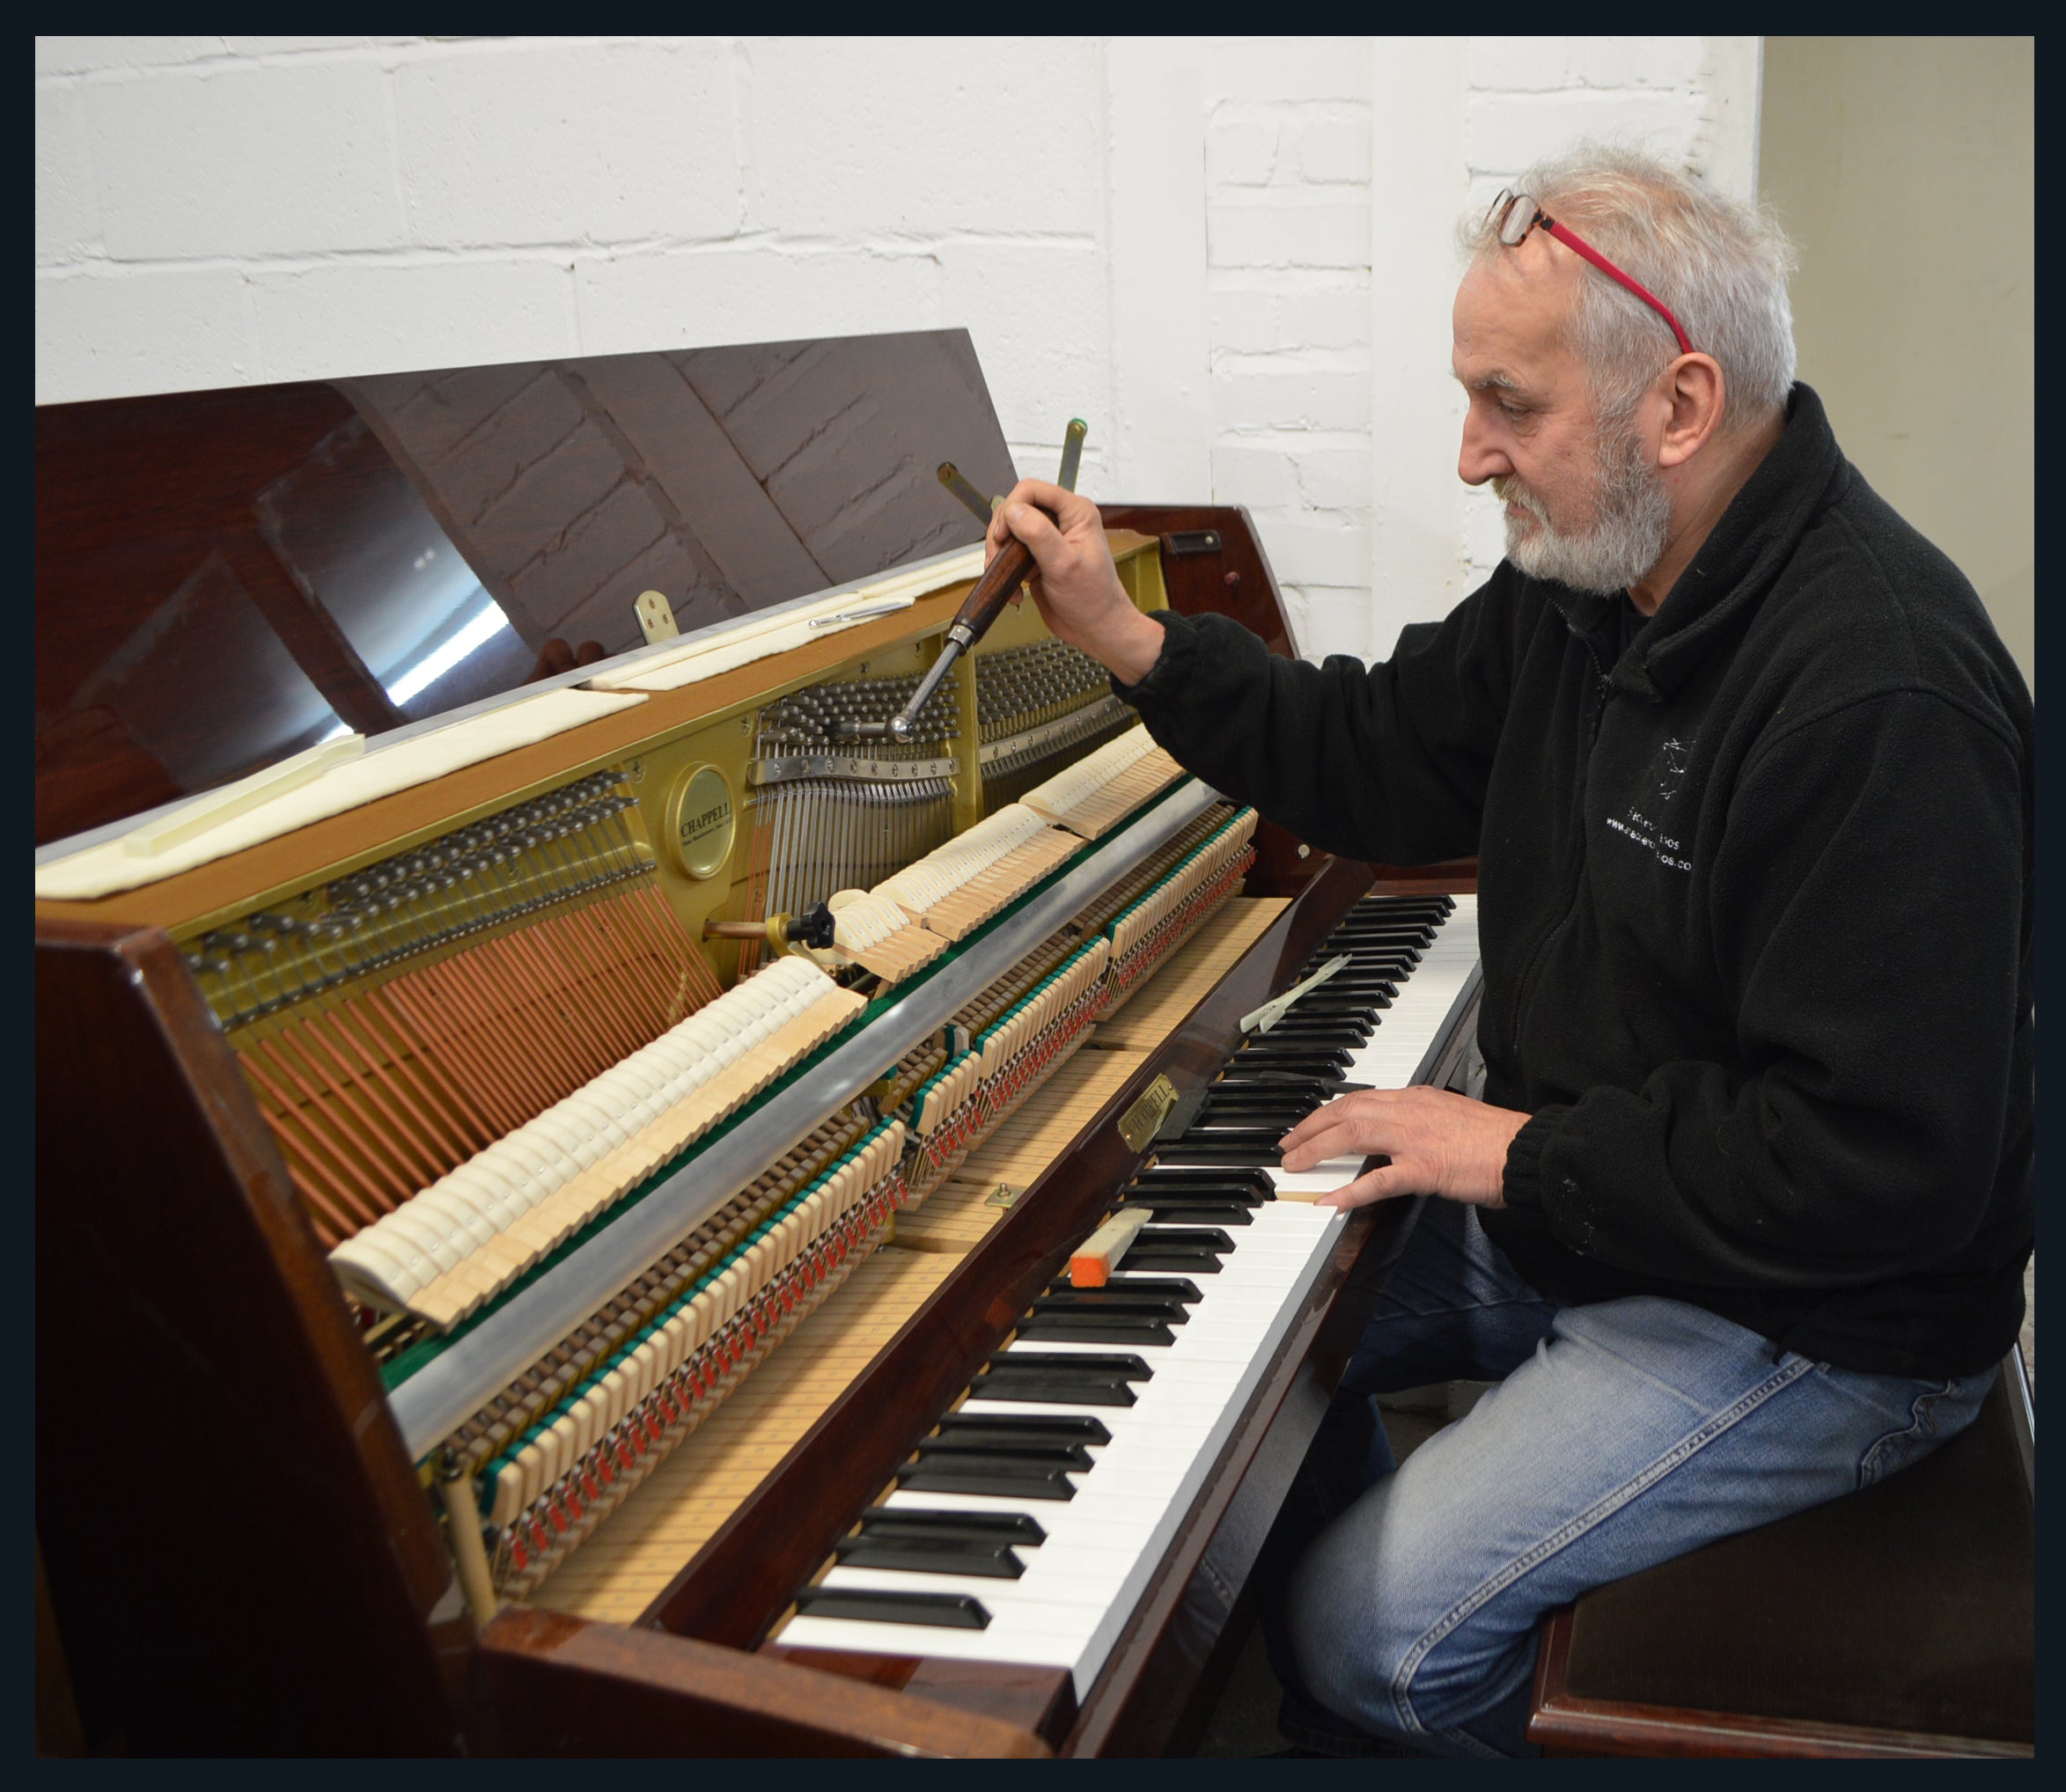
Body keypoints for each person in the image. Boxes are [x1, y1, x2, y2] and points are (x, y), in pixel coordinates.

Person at [981, 144, 2035, 1756]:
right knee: (1234, 1280)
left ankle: (1398, 1661)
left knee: (1364, 1632)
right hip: (1619, 1220)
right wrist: (1128, 639)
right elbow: (1375, 753)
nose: (1470, 455)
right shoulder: (1593, 586)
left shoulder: (1878, 694)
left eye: (1508, 404)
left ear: (1677, 410)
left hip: (1825, 1324)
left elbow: (1883, 1167)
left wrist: (1514, 1151)